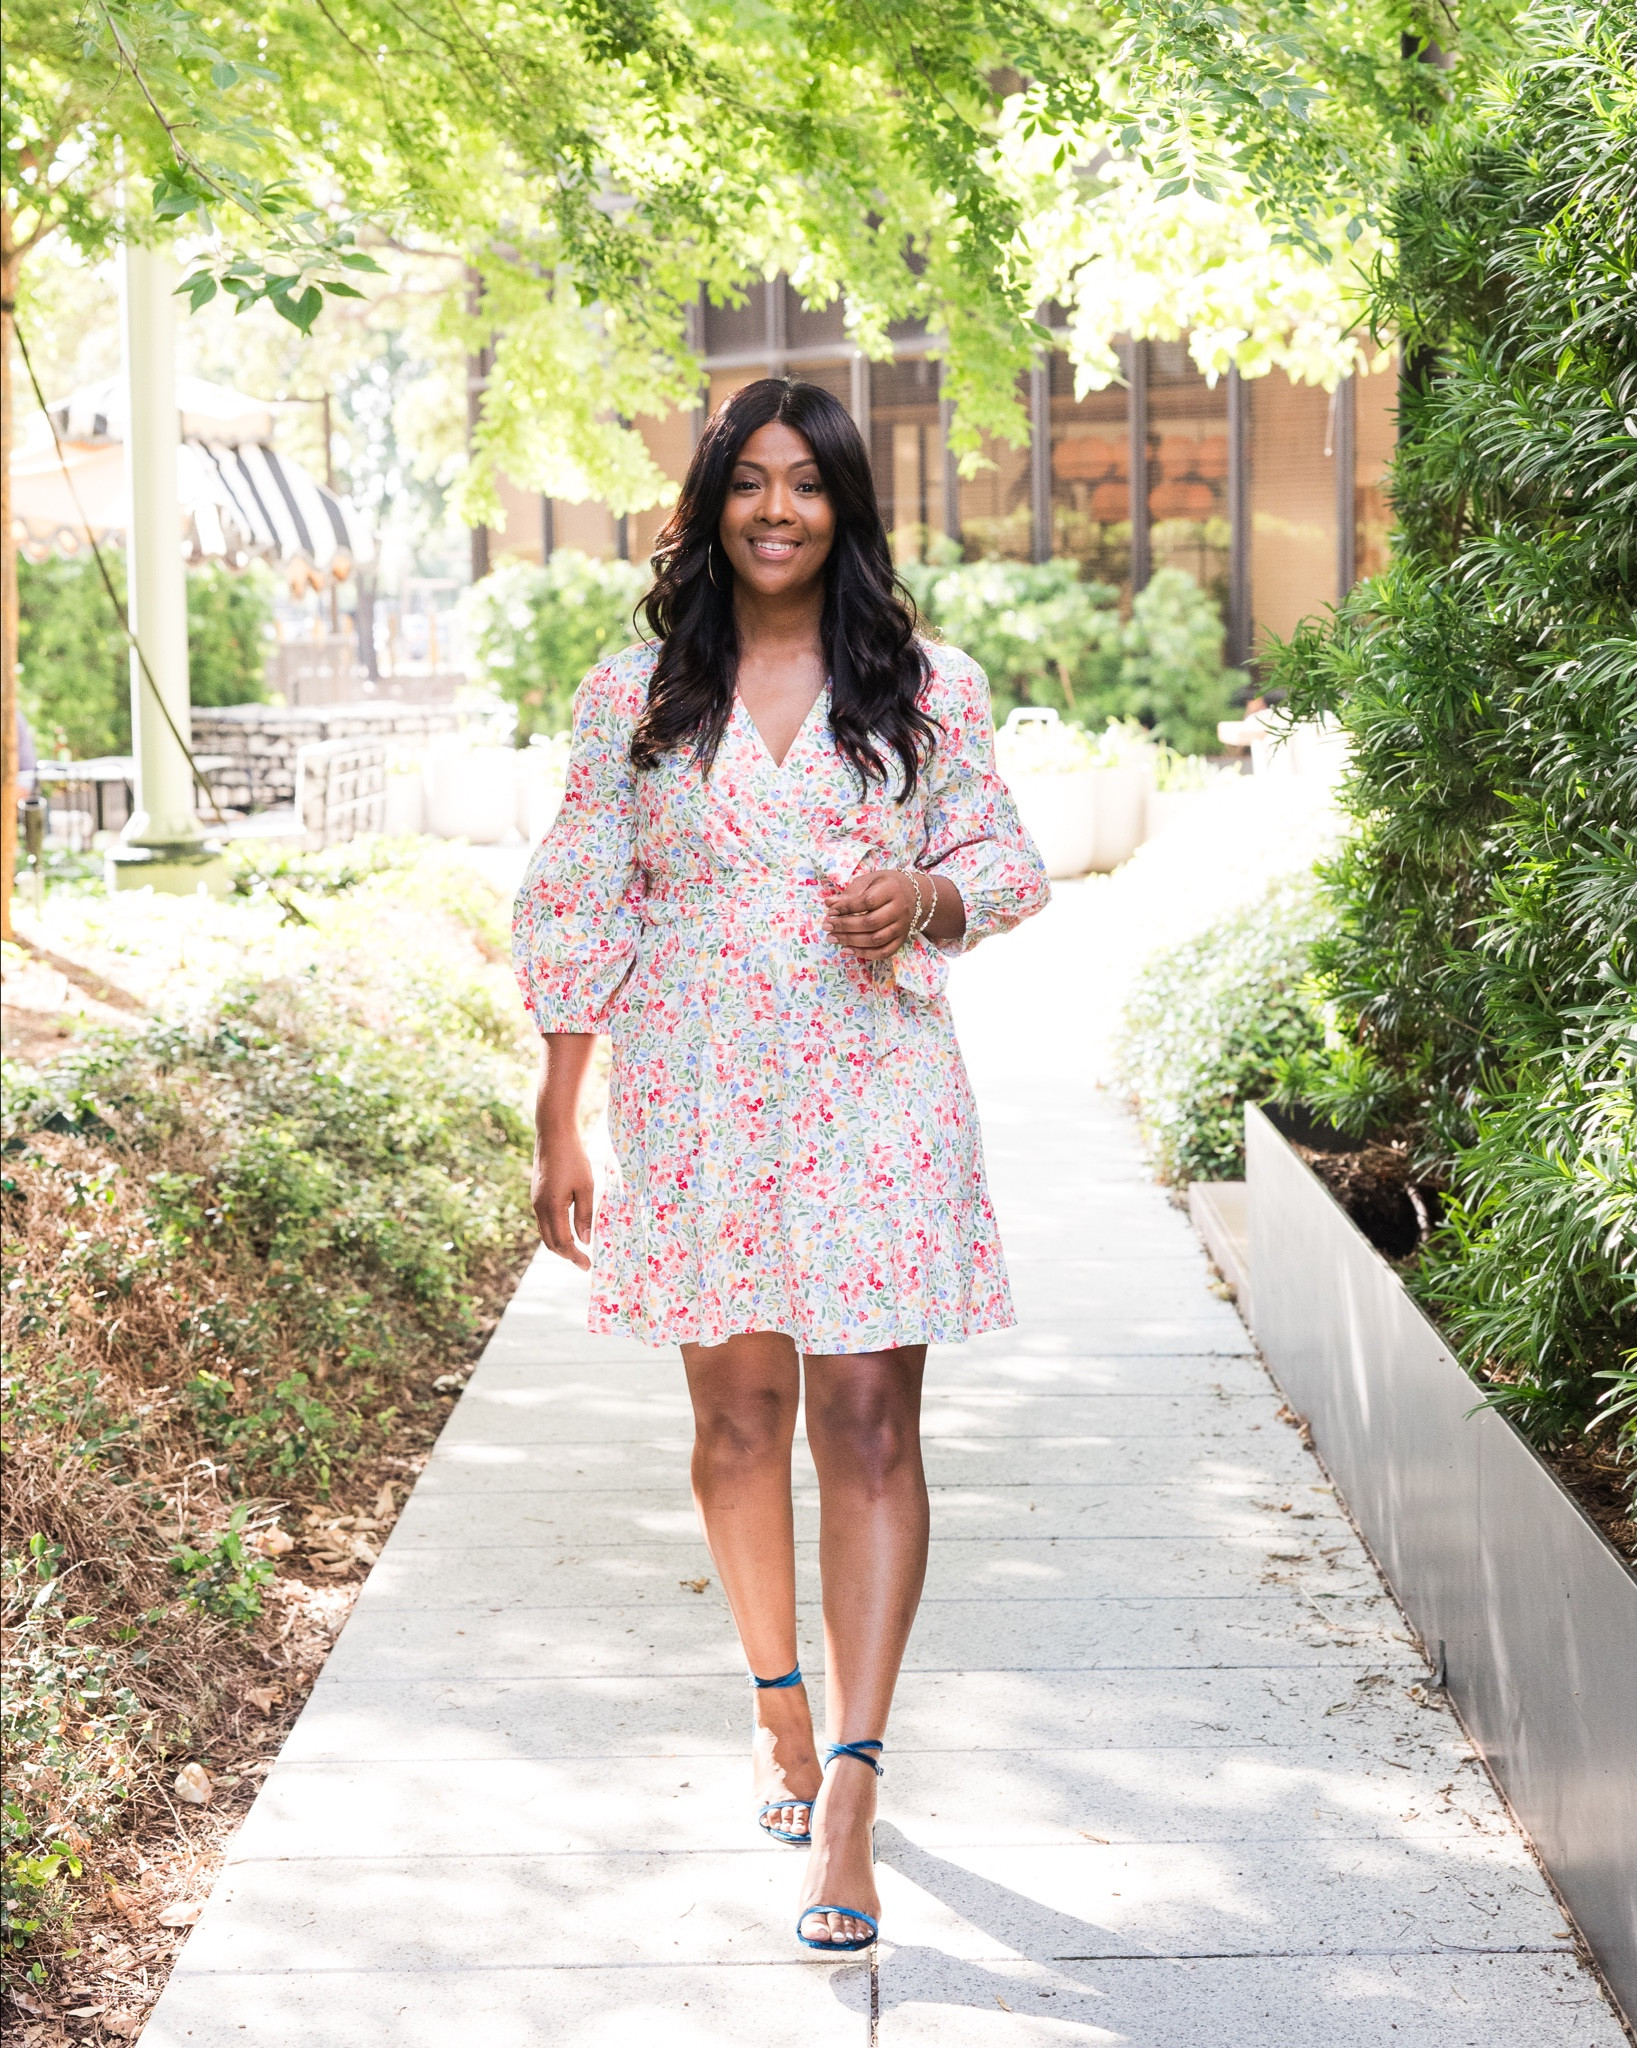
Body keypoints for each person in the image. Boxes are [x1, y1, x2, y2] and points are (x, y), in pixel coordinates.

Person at [512, 376, 1049, 1954]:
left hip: (873, 1083)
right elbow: (578, 896)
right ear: (710, 501)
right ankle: (773, 1708)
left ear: (844, 508)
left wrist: (927, 901)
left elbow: (1003, 856)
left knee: (870, 1425)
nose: (774, 510)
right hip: (692, 1092)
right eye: (748, 481)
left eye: (805, 484)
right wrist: (560, 1108)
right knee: (738, 1425)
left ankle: (857, 1794)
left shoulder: (922, 684)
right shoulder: (635, 693)